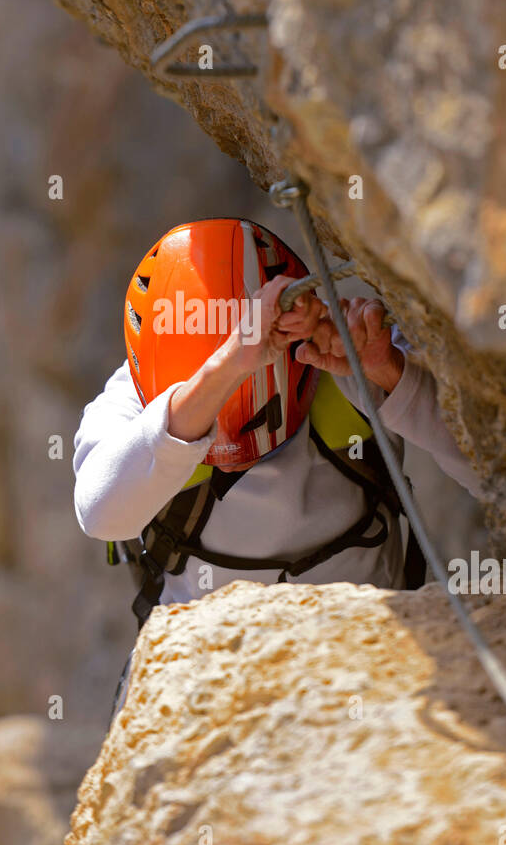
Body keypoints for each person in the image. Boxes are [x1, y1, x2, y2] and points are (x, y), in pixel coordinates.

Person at [73, 219, 481, 719]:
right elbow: (101, 513)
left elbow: (494, 475)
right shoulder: (135, 397)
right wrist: (226, 368)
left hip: (362, 674)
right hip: (207, 689)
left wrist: (389, 372)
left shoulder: (337, 356)